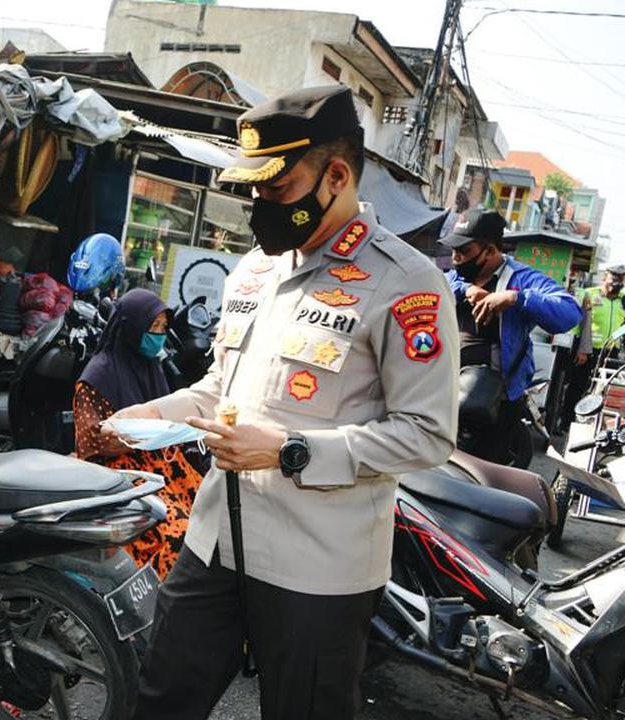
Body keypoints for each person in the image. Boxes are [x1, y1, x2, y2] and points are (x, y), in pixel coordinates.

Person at [106, 85, 461, 720]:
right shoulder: (254, 272)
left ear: (336, 175)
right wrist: (155, 413)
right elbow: (221, 390)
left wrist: (292, 450)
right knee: (158, 701)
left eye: (275, 187)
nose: (257, 203)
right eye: (253, 187)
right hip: (215, 543)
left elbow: (427, 433)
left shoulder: (406, 281)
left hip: (317, 570)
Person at [73, 289, 203, 580]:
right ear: (131, 327)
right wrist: (132, 435)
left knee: (208, 504)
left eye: (162, 328)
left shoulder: (152, 368)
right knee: (175, 529)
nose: (158, 335)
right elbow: (89, 444)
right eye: (152, 327)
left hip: (160, 464)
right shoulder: (97, 376)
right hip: (121, 473)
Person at [440, 209, 581, 461]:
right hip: (442, 393)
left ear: (491, 251)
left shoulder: (522, 279)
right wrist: (466, 289)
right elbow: (435, 283)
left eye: (464, 251)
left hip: (495, 404)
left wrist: (515, 298)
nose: (456, 258)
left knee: (480, 476)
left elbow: (569, 312)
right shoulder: (456, 277)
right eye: (453, 250)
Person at [561, 266, 625, 430]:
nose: (617, 282)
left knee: (603, 391)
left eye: (621, 279)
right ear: (605, 277)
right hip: (588, 350)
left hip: (611, 352)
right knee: (578, 386)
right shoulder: (590, 294)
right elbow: (582, 324)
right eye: (614, 278)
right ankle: (567, 422)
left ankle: (592, 427)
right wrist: (582, 349)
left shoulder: (623, 300)